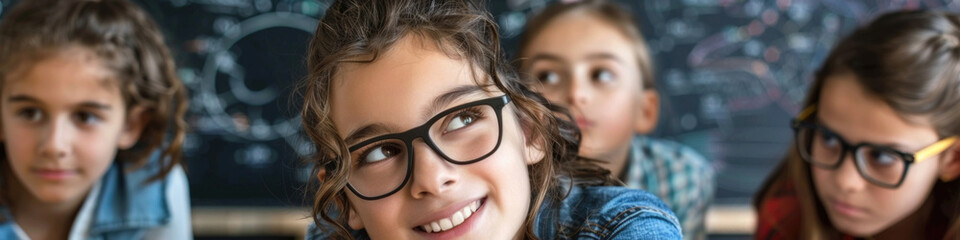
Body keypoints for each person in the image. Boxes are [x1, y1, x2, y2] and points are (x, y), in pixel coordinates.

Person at [299, 0, 682, 239]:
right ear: (344, 198)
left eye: (462, 119)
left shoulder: (622, 228)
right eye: (380, 152)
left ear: (530, 131)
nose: (432, 179)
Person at [754, 10, 960, 240]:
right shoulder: (787, 216)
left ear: (953, 159)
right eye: (829, 139)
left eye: (882, 156)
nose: (845, 182)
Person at [516, 1, 715, 238]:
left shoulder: (683, 177)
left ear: (645, 111)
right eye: (547, 75)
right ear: (519, 104)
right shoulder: (509, 183)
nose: (576, 93)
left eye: (602, 74)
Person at [0, 0, 192, 239]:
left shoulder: (156, 186)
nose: (54, 146)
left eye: (85, 117)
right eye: (30, 113)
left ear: (131, 125)